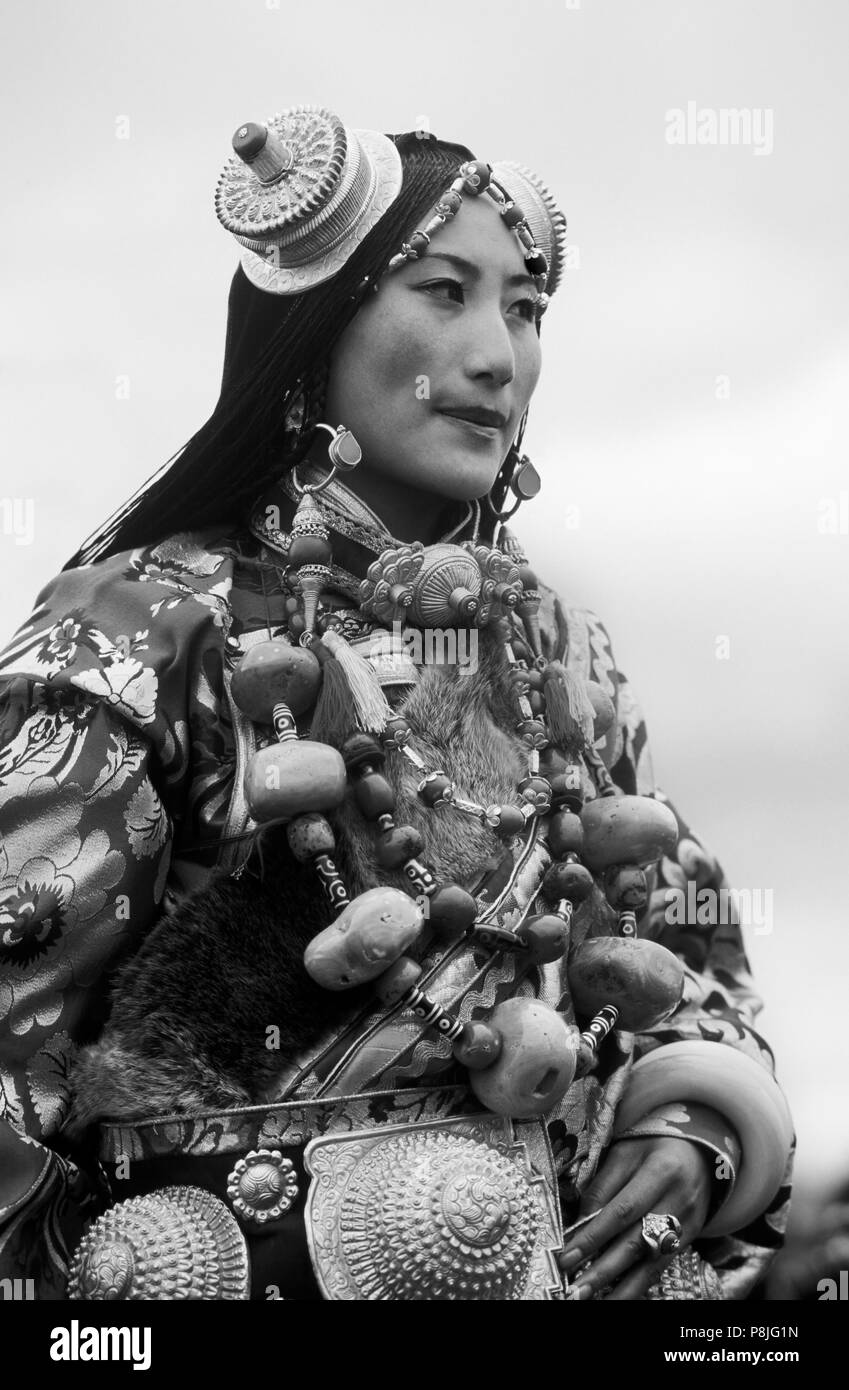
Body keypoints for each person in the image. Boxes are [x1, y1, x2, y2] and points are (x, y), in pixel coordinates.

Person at [0, 106, 793, 1302]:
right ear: (313, 329)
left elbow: (691, 976)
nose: (496, 356)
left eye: (526, 309)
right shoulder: (139, 624)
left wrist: (693, 1123)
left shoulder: (564, 666)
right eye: (443, 291)